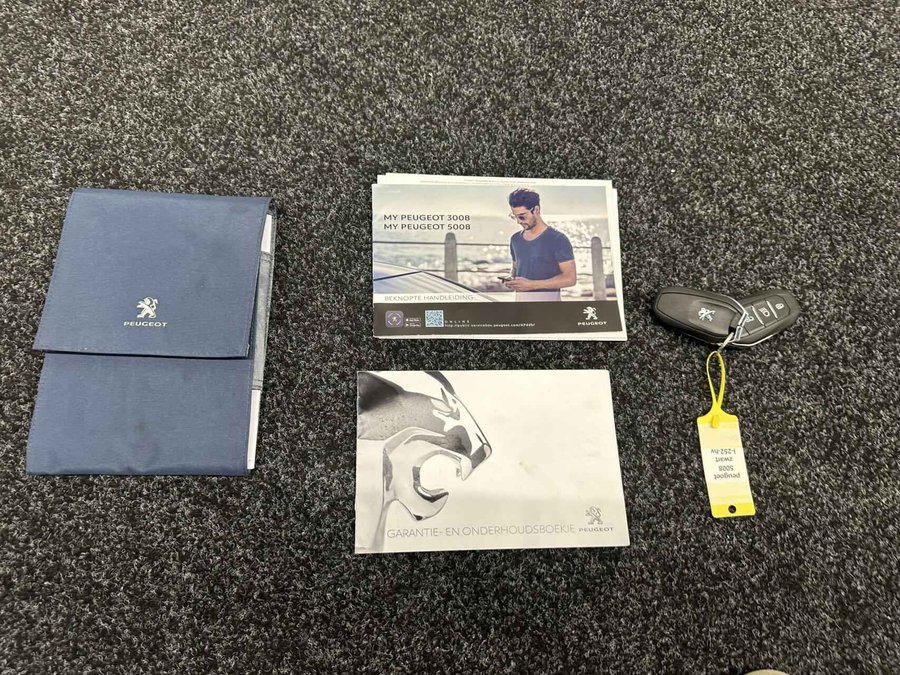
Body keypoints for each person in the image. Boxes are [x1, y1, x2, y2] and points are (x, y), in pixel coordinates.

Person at [503, 188, 576, 301]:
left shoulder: (557, 239)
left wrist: (531, 285)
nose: (518, 221)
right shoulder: (515, 239)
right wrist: (511, 279)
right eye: (514, 216)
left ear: (536, 210)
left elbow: (570, 279)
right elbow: (516, 269)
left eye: (522, 216)